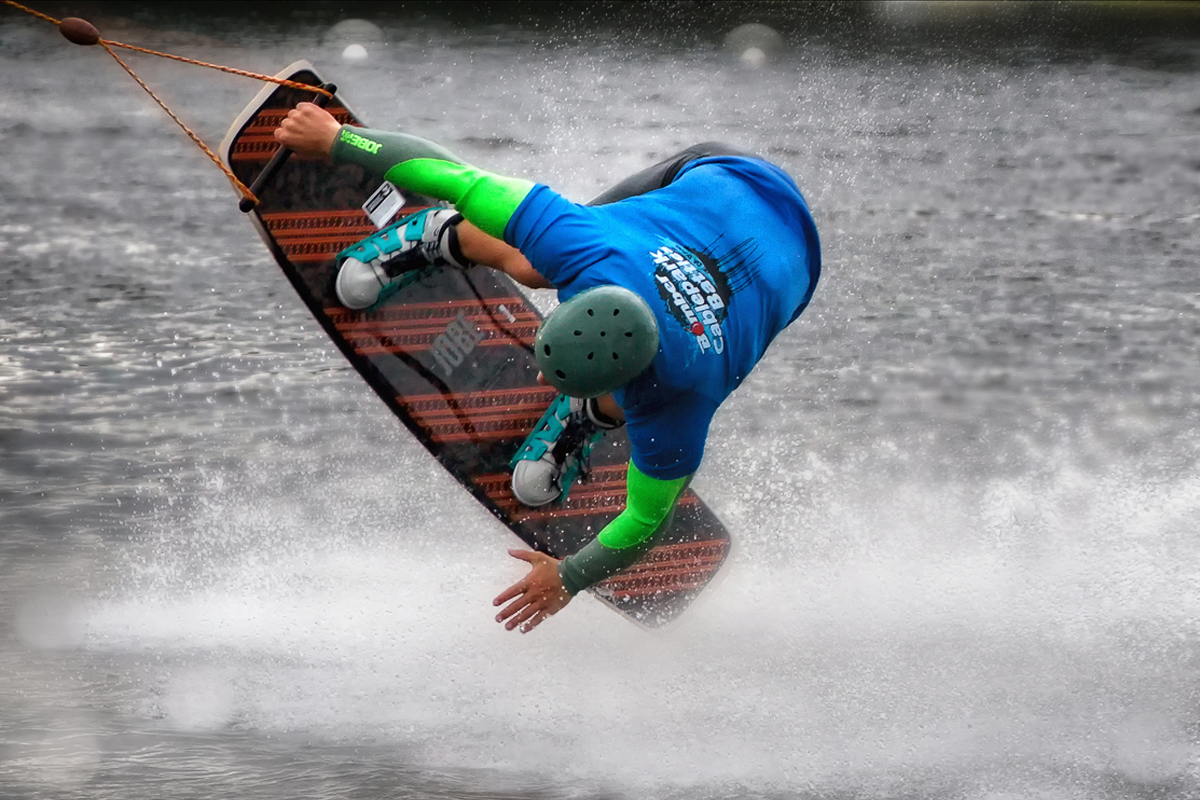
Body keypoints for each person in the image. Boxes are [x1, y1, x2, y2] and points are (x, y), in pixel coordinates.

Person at [275, 103, 821, 633]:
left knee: (646, 395)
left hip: (794, 272)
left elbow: (647, 523)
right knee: (533, 264)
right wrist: (337, 139)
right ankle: (436, 236)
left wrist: (568, 578)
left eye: (557, 378)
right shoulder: (579, 245)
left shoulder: (684, 397)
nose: (539, 378)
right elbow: (449, 173)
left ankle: (586, 411)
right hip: (719, 175)